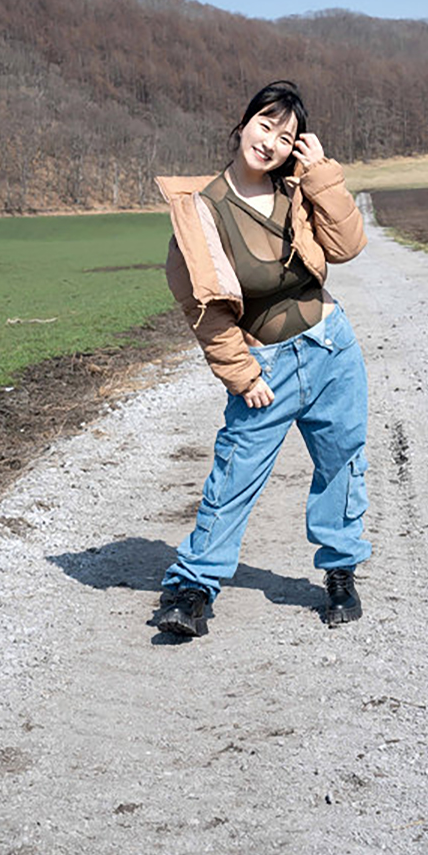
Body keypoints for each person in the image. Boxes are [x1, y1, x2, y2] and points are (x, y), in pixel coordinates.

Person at [154, 79, 371, 636]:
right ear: (243, 125)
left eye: (286, 135)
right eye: (265, 124)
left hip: (331, 348)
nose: (271, 141)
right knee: (235, 474)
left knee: (341, 464)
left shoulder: (298, 190)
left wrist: (320, 174)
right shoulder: (201, 212)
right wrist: (242, 374)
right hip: (267, 369)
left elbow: (347, 246)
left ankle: (340, 571)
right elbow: (203, 308)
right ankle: (193, 587)